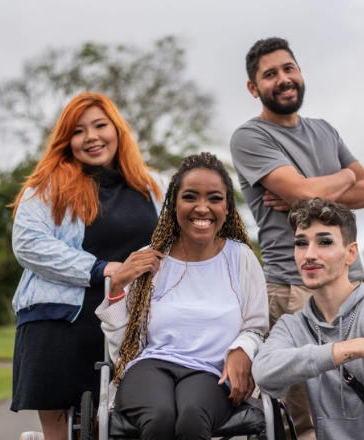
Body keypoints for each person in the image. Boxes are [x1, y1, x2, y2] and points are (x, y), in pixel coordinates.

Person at [230, 37, 364, 438]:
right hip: (294, 289)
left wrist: (323, 186)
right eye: (270, 74)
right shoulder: (250, 137)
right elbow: (303, 193)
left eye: (288, 68)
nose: (283, 79)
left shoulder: (325, 131)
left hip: (351, 284)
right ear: (253, 87)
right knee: (309, 419)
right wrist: (342, 177)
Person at [10, 92, 164, 440]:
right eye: (79, 131)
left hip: (135, 324)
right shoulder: (47, 187)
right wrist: (105, 269)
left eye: (100, 125)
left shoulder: (154, 186)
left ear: (117, 130)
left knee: (131, 425)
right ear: (67, 141)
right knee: (64, 431)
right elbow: (28, 243)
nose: (91, 136)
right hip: (61, 324)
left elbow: (183, 230)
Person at [96, 152, 269, 440]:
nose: (202, 208)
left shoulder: (241, 258)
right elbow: (123, 348)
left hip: (210, 372)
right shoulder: (148, 259)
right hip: (148, 367)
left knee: (191, 417)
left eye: (214, 198)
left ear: (227, 207)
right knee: (160, 417)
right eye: (190, 197)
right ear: (174, 203)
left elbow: (255, 327)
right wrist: (116, 289)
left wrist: (243, 350)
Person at [253, 198, 364, 440]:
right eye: (301, 243)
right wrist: (352, 348)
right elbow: (264, 373)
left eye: (325, 242)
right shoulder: (291, 326)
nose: (309, 255)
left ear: (351, 253)